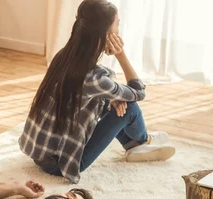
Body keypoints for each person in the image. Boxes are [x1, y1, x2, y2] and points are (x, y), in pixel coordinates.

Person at [20, 0, 176, 184]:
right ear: (106, 33)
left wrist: (111, 98)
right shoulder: (93, 79)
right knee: (131, 107)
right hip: (63, 164)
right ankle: (143, 141)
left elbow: (93, 91)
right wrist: (120, 54)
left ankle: (135, 144)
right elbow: (139, 91)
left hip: (40, 154)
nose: (119, 28)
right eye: (118, 23)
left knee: (114, 101)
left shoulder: (64, 56)